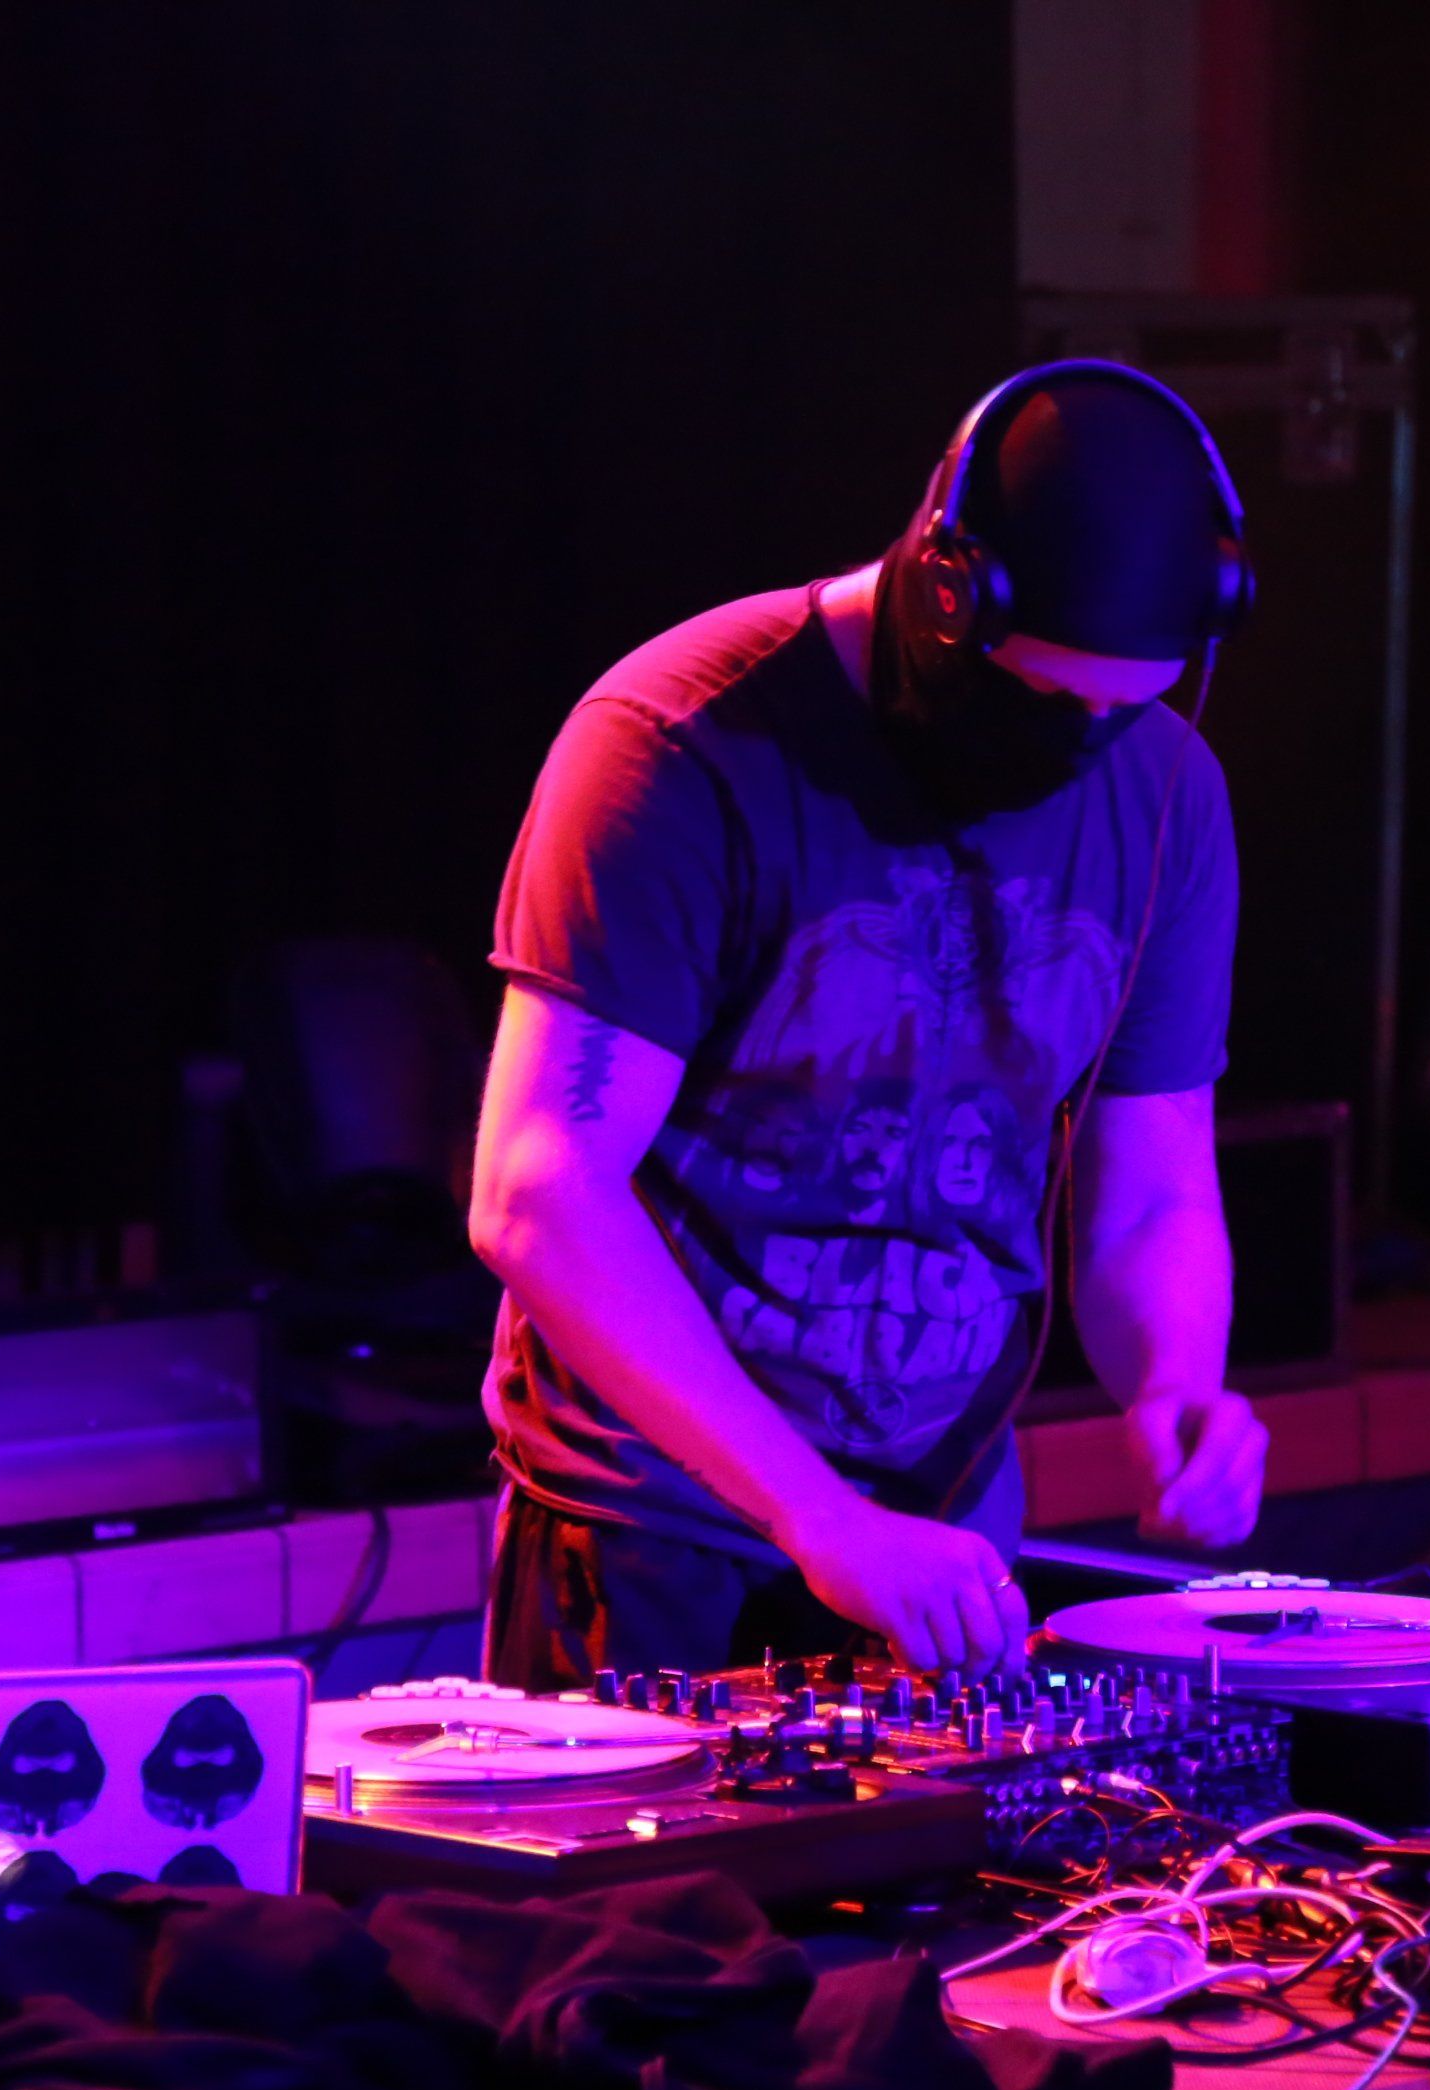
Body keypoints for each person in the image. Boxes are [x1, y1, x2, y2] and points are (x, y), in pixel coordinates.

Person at [468, 361, 1273, 1690]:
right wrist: (818, 1516)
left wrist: (1177, 1386)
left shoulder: (1169, 795)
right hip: (653, 1533)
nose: (1083, 742)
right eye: (1045, 702)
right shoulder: (676, 745)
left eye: (1120, 711)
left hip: (940, 1543)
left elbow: (1152, 1191)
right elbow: (539, 1192)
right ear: (949, 597)